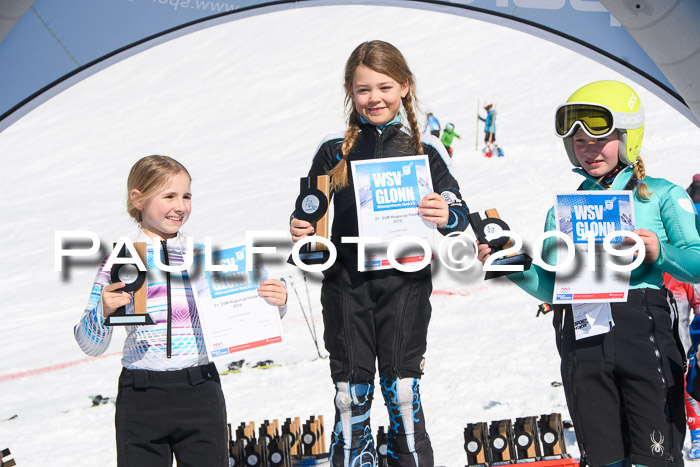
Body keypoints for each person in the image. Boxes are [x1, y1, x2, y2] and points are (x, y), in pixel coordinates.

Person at [477, 80, 700, 466]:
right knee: (602, 459)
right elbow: (553, 288)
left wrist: (658, 252)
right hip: (582, 338)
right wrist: (513, 265)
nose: (589, 150)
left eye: (600, 139)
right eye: (579, 142)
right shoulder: (564, 211)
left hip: (643, 333)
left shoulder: (662, 194)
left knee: (655, 457)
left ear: (628, 136)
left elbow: (696, 262)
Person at [289, 40, 469, 467]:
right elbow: (309, 219)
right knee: (351, 396)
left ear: (405, 87)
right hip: (346, 288)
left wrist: (446, 212)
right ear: (351, 92)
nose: (375, 98)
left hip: (404, 286)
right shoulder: (334, 153)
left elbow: (461, 214)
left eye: (385, 87)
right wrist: (303, 234)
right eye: (364, 89)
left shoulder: (423, 152)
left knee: (403, 390)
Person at [74, 155, 288, 466]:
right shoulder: (120, 263)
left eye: (186, 196)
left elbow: (244, 310)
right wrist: (102, 314)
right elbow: (89, 345)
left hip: (199, 390)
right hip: (141, 395)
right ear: (138, 199)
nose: (180, 206)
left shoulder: (204, 258)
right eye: (169, 196)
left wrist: (274, 301)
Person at [665, 273, 700, 459]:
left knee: (688, 387)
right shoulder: (644, 270)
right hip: (654, 342)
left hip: (684, 343)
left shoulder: (679, 269)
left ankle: (697, 434)